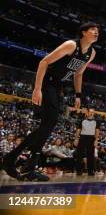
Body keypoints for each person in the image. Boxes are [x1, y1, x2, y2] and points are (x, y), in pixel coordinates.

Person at [1, 22, 98, 181]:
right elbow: (44, 62)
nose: (96, 32)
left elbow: (78, 74)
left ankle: (14, 160)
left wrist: (78, 95)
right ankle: (26, 165)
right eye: (93, 30)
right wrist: (37, 89)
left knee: (47, 126)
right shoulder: (71, 45)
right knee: (50, 122)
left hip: (57, 86)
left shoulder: (91, 53)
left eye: (97, 31)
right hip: (47, 82)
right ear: (83, 32)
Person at [74, 108, 101, 176]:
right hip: (83, 137)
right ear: (88, 112)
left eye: (93, 112)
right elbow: (78, 130)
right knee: (79, 154)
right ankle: (78, 171)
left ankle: (90, 171)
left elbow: (97, 131)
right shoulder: (82, 120)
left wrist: (96, 140)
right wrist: (76, 139)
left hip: (91, 138)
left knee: (90, 155)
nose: (92, 113)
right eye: (90, 112)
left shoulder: (96, 121)